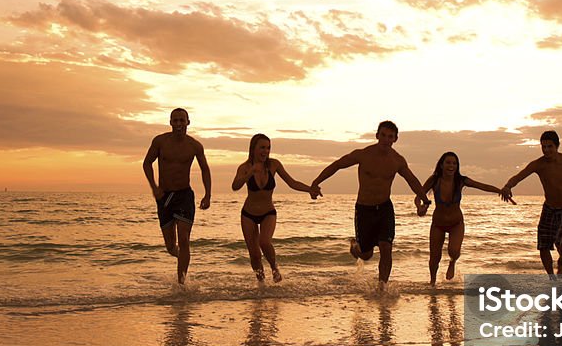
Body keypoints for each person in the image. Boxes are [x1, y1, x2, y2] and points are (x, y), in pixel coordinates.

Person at [311, 121, 429, 284]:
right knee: (366, 255)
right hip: (364, 209)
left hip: (384, 208)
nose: (386, 140)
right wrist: (316, 182)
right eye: (383, 135)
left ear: (395, 139)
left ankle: (382, 288)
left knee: (386, 247)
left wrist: (425, 200)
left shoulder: (397, 160)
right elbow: (338, 164)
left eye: (390, 137)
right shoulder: (363, 154)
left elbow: (412, 181)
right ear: (377, 136)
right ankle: (355, 246)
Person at [500, 130, 562, 278]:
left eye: (550, 146)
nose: (546, 150)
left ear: (557, 146)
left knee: (560, 243)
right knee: (543, 246)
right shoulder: (538, 164)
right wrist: (508, 186)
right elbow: (519, 176)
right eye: (543, 147)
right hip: (549, 209)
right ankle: (552, 279)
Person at [231, 133, 320, 282]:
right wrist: (249, 174)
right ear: (253, 149)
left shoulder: (274, 165)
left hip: (268, 212)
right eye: (262, 148)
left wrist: (310, 189)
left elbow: (292, 183)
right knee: (254, 255)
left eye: (268, 148)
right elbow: (235, 186)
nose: (265, 151)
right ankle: (261, 285)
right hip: (248, 214)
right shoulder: (245, 167)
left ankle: (274, 268)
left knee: (264, 242)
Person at [419, 151, 512, 286]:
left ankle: (452, 262)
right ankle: (432, 284)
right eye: (448, 163)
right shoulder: (434, 180)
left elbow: (482, 186)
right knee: (434, 258)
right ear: (441, 165)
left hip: (456, 223)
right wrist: (420, 206)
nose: (451, 166)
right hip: (438, 224)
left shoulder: (461, 181)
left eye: (454, 163)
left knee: (454, 251)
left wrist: (500, 190)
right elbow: (419, 194)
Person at [142, 108, 211, 284]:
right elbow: (147, 163)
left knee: (184, 239)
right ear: (170, 122)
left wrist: (207, 195)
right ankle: (183, 258)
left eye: (182, 120)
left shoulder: (194, 146)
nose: (179, 124)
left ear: (188, 122)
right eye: (175, 120)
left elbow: (205, 169)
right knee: (171, 246)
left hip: (184, 196)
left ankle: (181, 284)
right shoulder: (160, 142)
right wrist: (154, 187)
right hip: (164, 196)